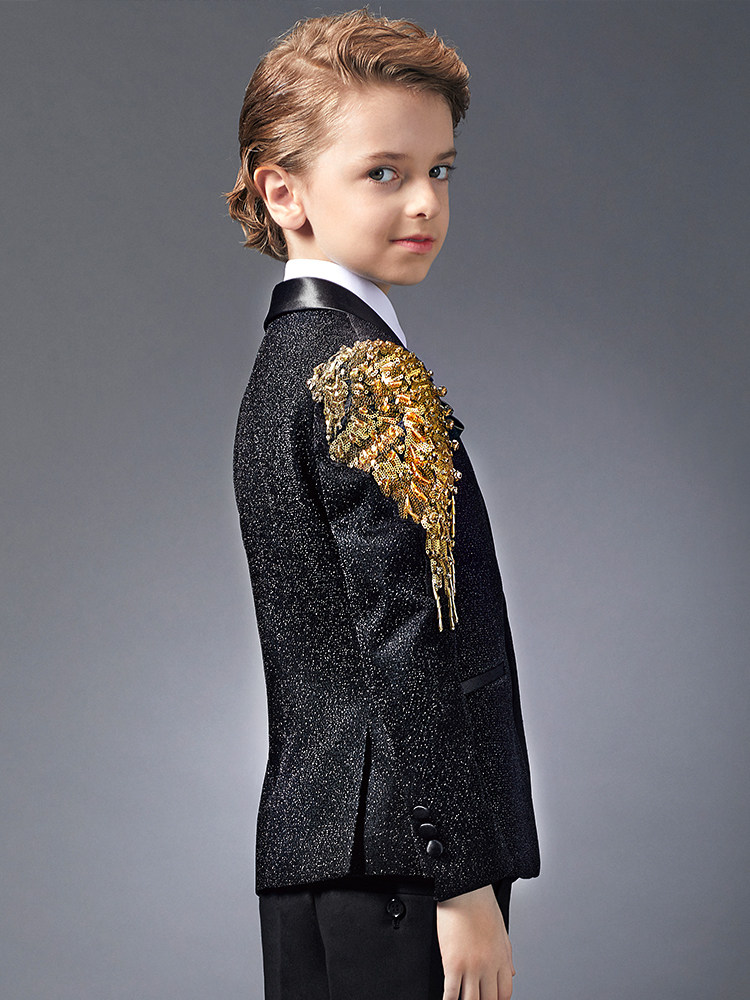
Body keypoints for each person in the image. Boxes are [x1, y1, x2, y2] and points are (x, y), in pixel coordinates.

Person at [223, 8, 541, 999]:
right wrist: (464, 885)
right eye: (383, 172)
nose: (425, 201)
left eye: (440, 169)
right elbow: (409, 639)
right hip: (403, 875)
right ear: (283, 191)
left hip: (318, 859)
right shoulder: (366, 374)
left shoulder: (284, 365)